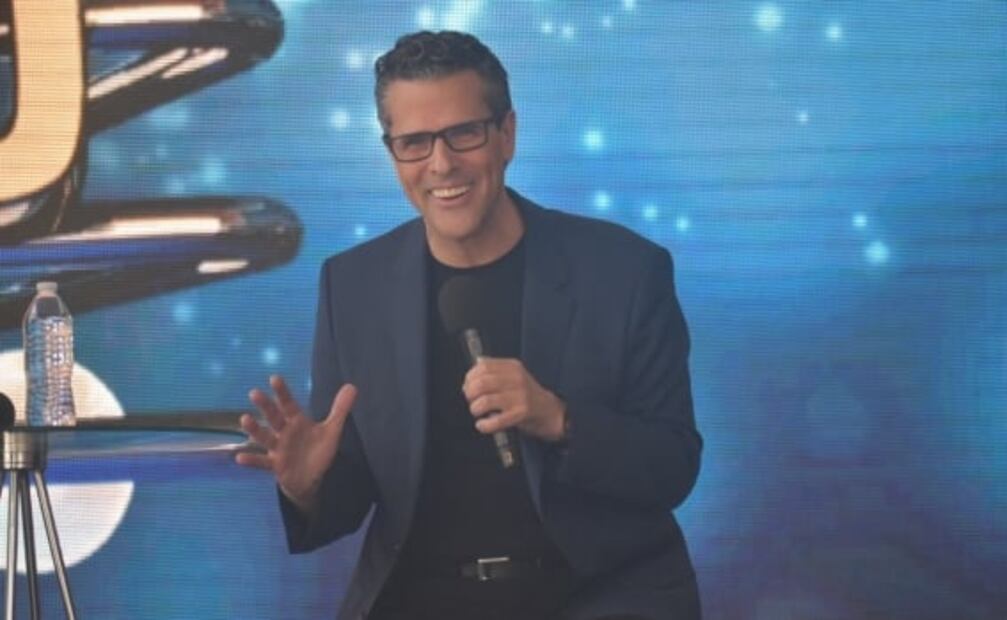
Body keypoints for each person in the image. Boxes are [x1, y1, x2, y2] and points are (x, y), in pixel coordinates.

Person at [236, 30, 702, 620]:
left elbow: (672, 466)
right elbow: (352, 494)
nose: (441, 164)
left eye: (463, 133)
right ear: (392, 153)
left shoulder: (622, 271)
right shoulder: (352, 286)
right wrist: (306, 488)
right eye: (414, 142)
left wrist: (558, 419)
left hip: (596, 596)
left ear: (507, 134)